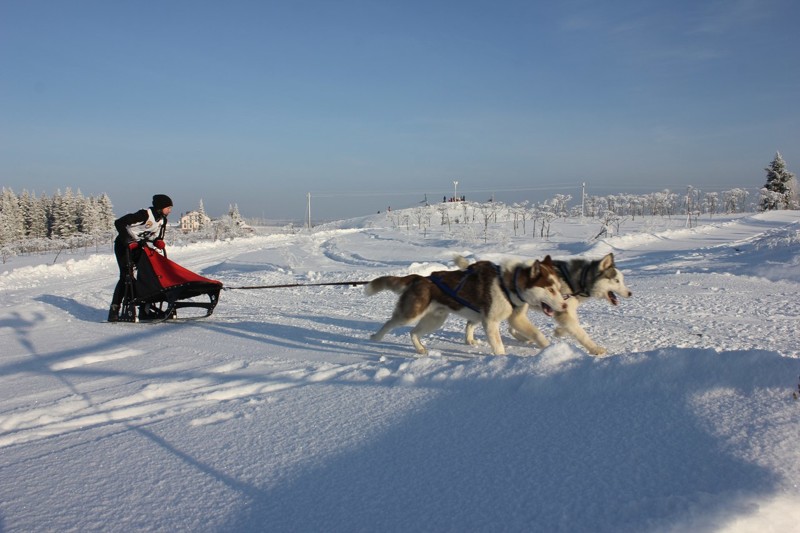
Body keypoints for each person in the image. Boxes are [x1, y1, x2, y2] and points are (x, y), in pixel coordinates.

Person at [108, 194, 173, 322]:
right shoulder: (144, 215)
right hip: (123, 245)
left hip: (138, 246)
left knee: (148, 274)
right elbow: (119, 223)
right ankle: (114, 309)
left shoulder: (162, 220)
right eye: (168, 207)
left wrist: (157, 242)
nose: (170, 210)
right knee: (126, 276)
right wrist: (128, 240)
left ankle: (145, 309)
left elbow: (154, 236)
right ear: (160, 207)